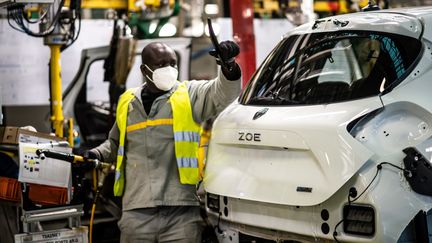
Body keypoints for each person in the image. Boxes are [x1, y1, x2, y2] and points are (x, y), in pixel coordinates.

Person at [85, 40, 241, 242]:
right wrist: (97, 153)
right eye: (161, 64)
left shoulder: (189, 94)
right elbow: (115, 143)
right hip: (136, 210)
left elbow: (223, 94)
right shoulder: (127, 102)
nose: (169, 69)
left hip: (181, 212)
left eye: (173, 63)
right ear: (144, 69)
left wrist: (228, 65)